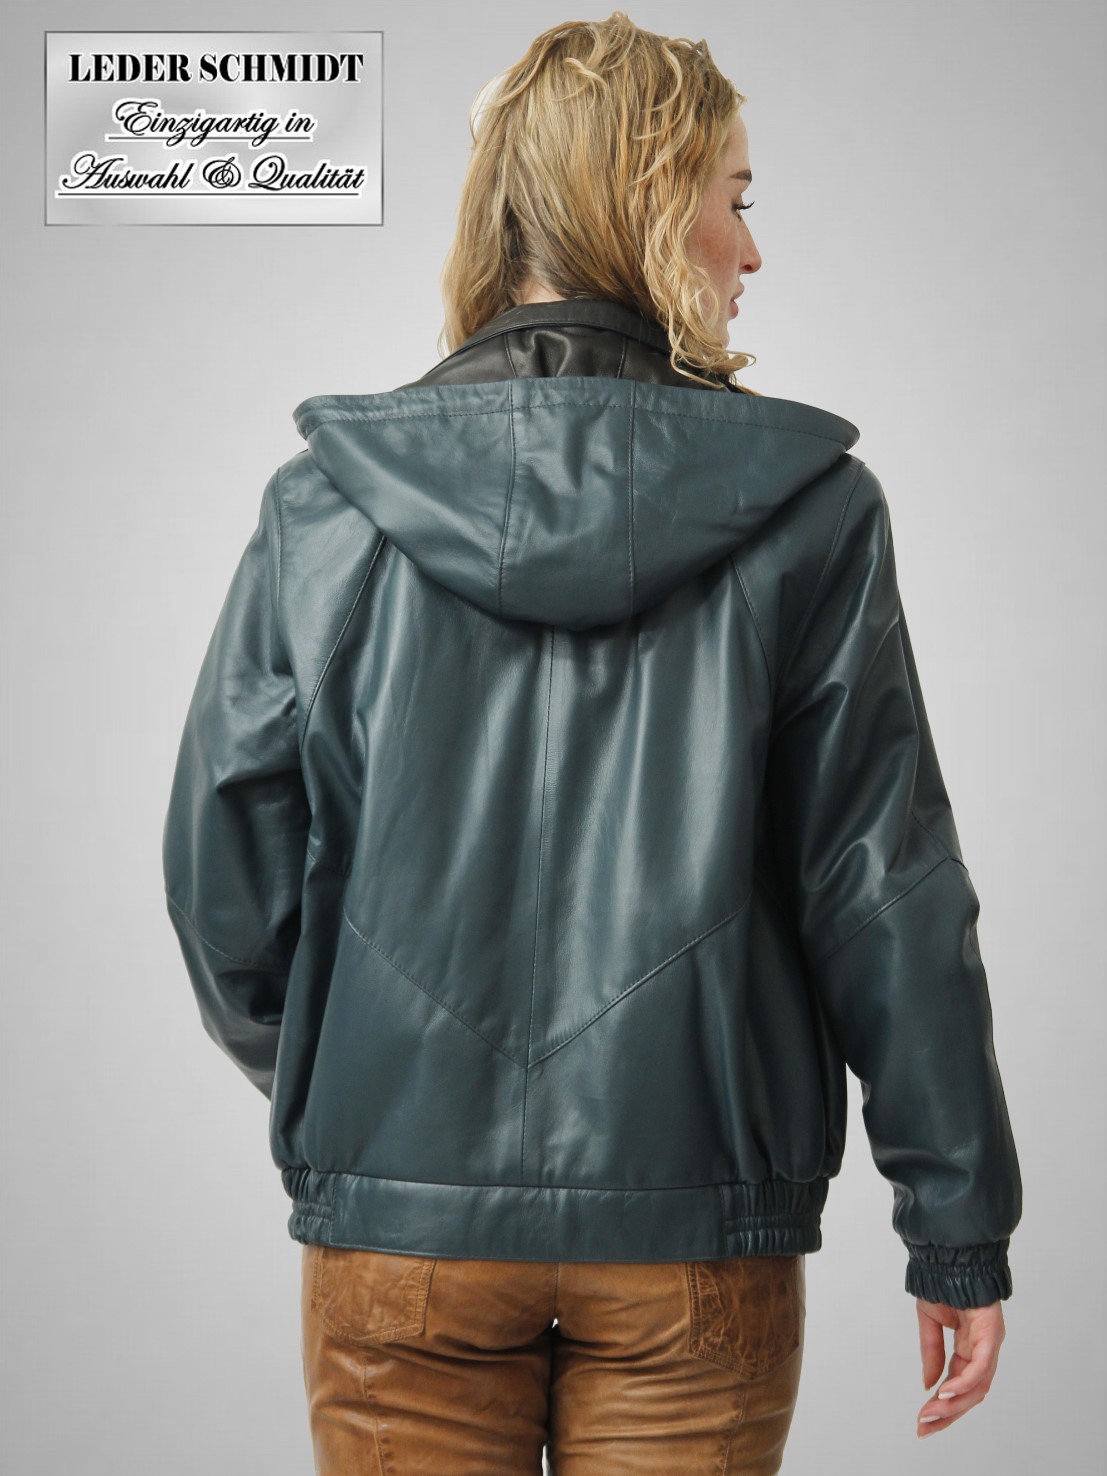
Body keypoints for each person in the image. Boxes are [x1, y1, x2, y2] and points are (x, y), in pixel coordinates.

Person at [161, 12, 1022, 1473]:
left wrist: (366, 1086)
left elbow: (222, 883)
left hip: (403, 1240)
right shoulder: (813, 513)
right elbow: (882, 887)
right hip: (697, 1231)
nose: (753, 250)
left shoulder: (328, 506)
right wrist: (956, 1226)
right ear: (648, 201)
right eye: (735, 197)